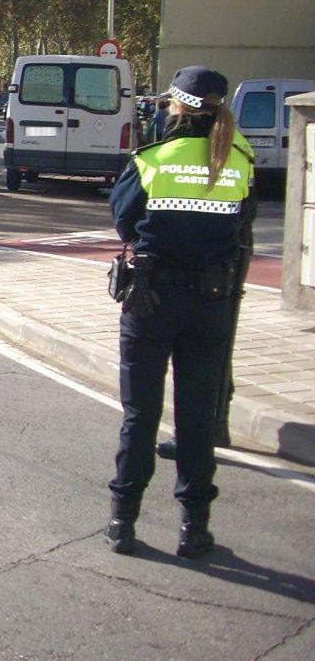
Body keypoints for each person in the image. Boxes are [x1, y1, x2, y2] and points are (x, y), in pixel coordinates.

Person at [104, 66, 255, 559]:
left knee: (140, 414)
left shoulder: (153, 159)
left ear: (176, 106)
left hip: (152, 301)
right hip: (212, 304)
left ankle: (123, 522)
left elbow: (124, 218)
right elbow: (243, 224)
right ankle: (195, 529)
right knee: (194, 420)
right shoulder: (240, 158)